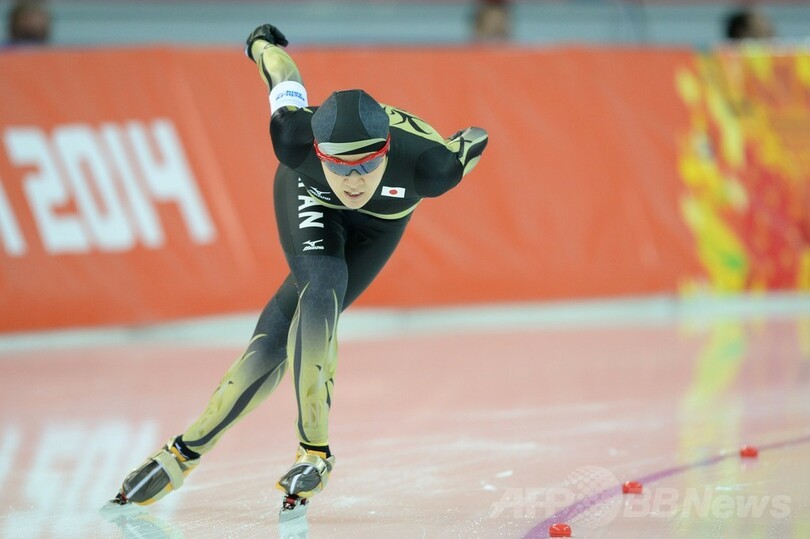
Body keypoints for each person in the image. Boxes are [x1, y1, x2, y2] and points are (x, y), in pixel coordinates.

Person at [107, 23, 488, 517]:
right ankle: (314, 451)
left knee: (282, 335)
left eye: (367, 165)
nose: (354, 181)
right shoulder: (294, 137)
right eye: (340, 166)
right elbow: (283, 76)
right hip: (311, 201)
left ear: (387, 152)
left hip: (380, 226)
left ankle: (183, 453)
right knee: (322, 288)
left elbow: (473, 140)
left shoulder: (431, 167)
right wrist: (261, 44)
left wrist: (461, 140)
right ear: (318, 152)